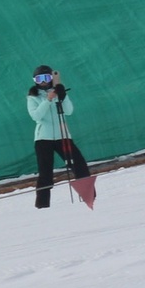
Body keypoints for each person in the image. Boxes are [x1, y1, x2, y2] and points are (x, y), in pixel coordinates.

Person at [28, 65, 90, 209]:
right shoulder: (33, 96)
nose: (43, 81)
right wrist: (48, 100)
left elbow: (68, 111)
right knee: (45, 173)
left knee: (79, 165)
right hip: (43, 139)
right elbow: (36, 115)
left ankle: (89, 197)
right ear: (35, 81)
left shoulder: (59, 92)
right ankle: (42, 206)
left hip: (63, 137)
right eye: (39, 79)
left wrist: (62, 95)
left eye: (46, 78)